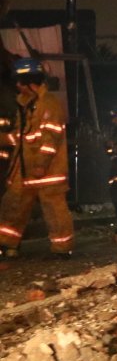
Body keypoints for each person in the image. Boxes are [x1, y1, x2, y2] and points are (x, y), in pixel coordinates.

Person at [0, 58, 73, 258]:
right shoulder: (24, 106)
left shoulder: (49, 104)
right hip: (23, 170)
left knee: (54, 210)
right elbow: (20, 136)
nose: (17, 86)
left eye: (19, 82)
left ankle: (62, 249)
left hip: (47, 172)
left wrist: (41, 164)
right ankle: (7, 245)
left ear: (30, 81)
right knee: (13, 205)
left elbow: (51, 137)